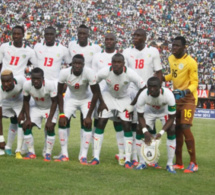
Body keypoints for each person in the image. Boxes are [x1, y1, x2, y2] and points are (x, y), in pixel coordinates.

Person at [90, 53, 146, 169]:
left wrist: (132, 104)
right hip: (108, 97)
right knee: (101, 122)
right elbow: (93, 82)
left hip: (124, 99)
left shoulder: (130, 73)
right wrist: (101, 101)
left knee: (126, 125)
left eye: (119, 62)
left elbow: (143, 87)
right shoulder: (105, 71)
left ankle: (127, 159)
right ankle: (96, 157)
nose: (116, 64)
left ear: (123, 63)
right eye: (114, 62)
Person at [123, 28, 163, 166]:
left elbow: (159, 73)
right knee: (132, 125)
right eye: (134, 35)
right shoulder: (127, 52)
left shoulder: (153, 51)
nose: (135, 37)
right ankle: (135, 156)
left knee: (148, 125)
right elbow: (124, 73)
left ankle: (152, 157)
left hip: (148, 92)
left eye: (138, 35)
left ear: (145, 38)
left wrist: (156, 91)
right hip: (131, 91)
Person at [34, 26, 71, 157]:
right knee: (41, 117)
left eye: (51, 34)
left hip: (55, 87)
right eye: (47, 34)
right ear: (44, 35)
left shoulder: (62, 49)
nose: (49, 36)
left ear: (56, 35)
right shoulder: (37, 47)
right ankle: (27, 148)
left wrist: (66, 81)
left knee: (52, 119)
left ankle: (49, 149)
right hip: (39, 86)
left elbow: (71, 65)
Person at [0, 25, 37, 158]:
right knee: (12, 120)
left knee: (19, 119)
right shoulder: (4, 47)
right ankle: (8, 146)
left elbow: (36, 66)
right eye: (14, 34)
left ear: (23, 35)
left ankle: (19, 149)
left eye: (18, 34)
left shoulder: (28, 51)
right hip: (4, 85)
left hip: (18, 88)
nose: (16, 36)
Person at [56, 54, 101, 164]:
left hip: (86, 99)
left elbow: (96, 93)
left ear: (83, 65)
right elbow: (58, 93)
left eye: (79, 63)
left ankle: (83, 156)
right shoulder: (64, 73)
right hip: (71, 98)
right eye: (75, 63)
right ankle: (64, 154)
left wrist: (89, 116)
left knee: (87, 123)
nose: (77, 66)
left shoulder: (89, 72)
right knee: (62, 122)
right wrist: (61, 114)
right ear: (71, 64)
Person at [164, 36, 198, 173]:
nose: (174, 48)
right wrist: (161, 77)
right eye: (173, 45)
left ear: (184, 47)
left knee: (184, 126)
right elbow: (173, 75)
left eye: (177, 46)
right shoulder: (171, 59)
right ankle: (179, 162)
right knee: (176, 128)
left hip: (188, 98)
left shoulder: (191, 62)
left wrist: (184, 92)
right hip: (176, 98)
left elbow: (195, 83)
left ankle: (193, 163)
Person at [92, 33, 125, 165]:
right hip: (101, 96)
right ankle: (95, 156)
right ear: (104, 41)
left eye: (112, 39)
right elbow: (94, 78)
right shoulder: (97, 56)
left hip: (117, 96)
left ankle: (122, 155)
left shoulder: (121, 56)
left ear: (116, 41)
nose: (109, 41)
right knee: (100, 123)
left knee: (119, 124)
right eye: (107, 39)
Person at [136, 77, 176, 173]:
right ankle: (142, 162)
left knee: (172, 129)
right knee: (139, 129)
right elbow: (140, 116)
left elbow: (172, 118)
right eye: (150, 87)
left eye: (154, 86)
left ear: (160, 87)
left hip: (164, 112)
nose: (152, 89)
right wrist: (145, 131)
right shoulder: (142, 96)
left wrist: (161, 132)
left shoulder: (168, 95)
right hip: (149, 111)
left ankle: (169, 164)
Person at [22, 67, 57, 161]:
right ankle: (31, 153)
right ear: (31, 78)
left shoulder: (50, 85)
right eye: (34, 79)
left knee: (50, 127)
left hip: (50, 108)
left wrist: (49, 120)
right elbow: (26, 101)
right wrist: (28, 118)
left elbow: (55, 102)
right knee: (26, 126)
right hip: (37, 107)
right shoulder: (27, 85)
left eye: (38, 79)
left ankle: (48, 153)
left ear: (43, 79)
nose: (36, 81)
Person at [0, 70, 25, 157]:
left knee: (22, 121)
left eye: (8, 81)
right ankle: (4, 147)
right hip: (5, 101)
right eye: (3, 82)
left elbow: (27, 96)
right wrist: (1, 139)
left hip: (18, 100)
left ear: (13, 79)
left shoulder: (21, 80)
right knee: (13, 120)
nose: (6, 84)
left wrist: (22, 112)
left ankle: (18, 150)